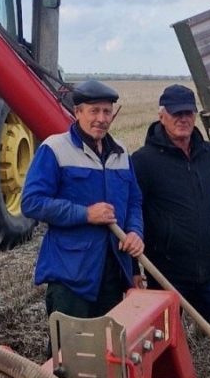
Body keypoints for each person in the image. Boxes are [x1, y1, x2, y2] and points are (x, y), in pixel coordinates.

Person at [131, 84, 210, 352]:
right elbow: (132, 213)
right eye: (176, 114)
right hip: (166, 275)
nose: (183, 119)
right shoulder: (144, 161)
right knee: (159, 347)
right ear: (162, 116)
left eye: (188, 113)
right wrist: (132, 268)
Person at [21, 80, 145, 324]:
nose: (101, 118)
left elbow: (133, 201)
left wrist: (135, 232)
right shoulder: (54, 149)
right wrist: (85, 214)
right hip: (71, 274)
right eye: (94, 111)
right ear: (77, 112)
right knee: (68, 355)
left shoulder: (121, 152)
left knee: (107, 351)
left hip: (112, 274)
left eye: (106, 111)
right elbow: (32, 202)